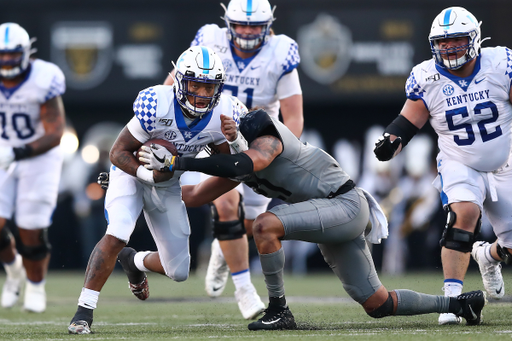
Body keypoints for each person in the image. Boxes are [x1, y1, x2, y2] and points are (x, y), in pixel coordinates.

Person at [139, 108, 486, 330]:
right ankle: (459, 304)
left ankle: (278, 310)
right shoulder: (233, 160)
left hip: (346, 205)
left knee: (264, 224)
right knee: (377, 303)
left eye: (217, 139)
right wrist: (138, 178)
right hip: (330, 214)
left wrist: (178, 163)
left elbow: (243, 164)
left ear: (233, 125)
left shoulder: (264, 133)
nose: (213, 148)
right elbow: (193, 196)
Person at [68, 46, 248, 334]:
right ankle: (83, 311)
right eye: (195, 84)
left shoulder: (225, 113)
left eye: (208, 86)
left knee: (179, 271)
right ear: (179, 82)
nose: (202, 93)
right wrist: (144, 175)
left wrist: (236, 141)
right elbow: (118, 152)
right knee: (118, 231)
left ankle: (134, 260)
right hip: (133, 172)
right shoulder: (157, 103)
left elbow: (232, 166)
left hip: (168, 181)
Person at [163, 0, 303, 320]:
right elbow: (175, 82)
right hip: (211, 131)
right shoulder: (210, 40)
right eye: (241, 24)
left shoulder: (280, 52)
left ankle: (222, 247)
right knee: (226, 205)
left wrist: (279, 148)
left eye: (255, 25)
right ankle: (244, 290)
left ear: (269, 25)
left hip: (254, 139)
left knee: (252, 223)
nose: (249, 31)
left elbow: (293, 116)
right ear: (228, 23)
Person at [373, 6, 511, 325]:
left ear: (474, 40)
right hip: (458, 160)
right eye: (443, 42)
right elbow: (410, 118)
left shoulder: (500, 63)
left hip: (505, 162)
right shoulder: (427, 76)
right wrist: (393, 139)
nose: (449, 48)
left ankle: (488, 256)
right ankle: (451, 300)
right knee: (464, 213)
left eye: (457, 40)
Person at [0, 22, 66, 313]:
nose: (6, 61)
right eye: (1, 55)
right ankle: (14, 270)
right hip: (1, 151)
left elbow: (55, 132)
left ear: (27, 53)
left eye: (11, 54)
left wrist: (18, 151)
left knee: (31, 229)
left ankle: (36, 286)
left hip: (38, 154)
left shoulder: (44, 77)